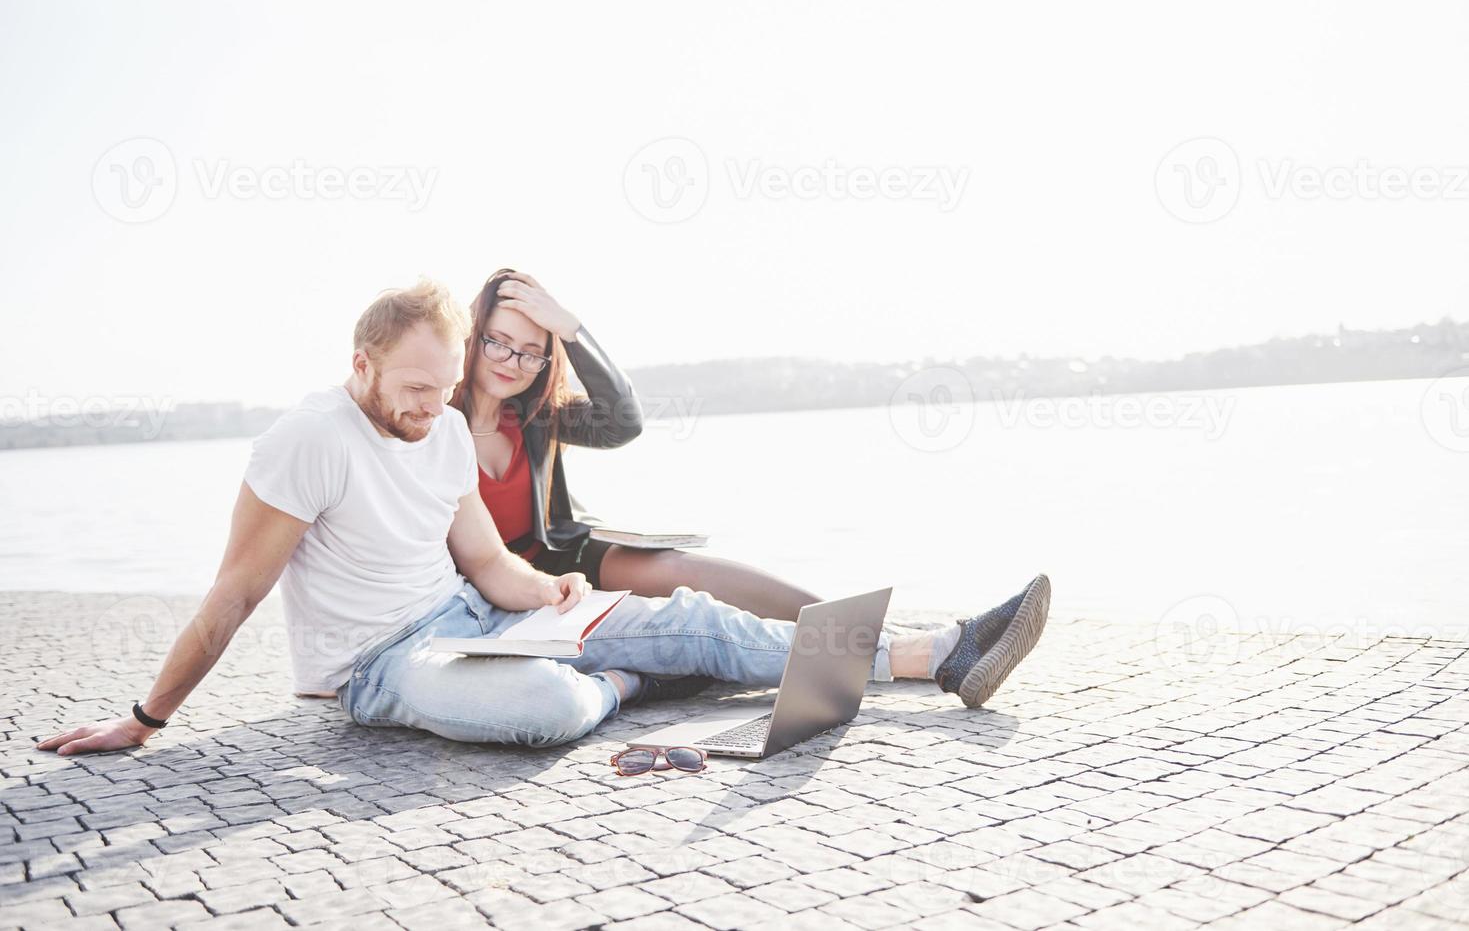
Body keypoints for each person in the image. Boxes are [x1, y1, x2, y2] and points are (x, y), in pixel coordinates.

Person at [37, 281, 1050, 756]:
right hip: (385, 666)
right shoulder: (304, 440)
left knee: (695, 611)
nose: (436, 409)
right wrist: (145, 717)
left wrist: (552, 591)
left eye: (446, 386)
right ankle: (620, 678)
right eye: (413, 388)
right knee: (545, 711)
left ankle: (936, 651)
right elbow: (234, 594)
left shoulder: (440, 436)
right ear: (358, 363)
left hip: (478, 620)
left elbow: (486, 562)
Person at [452, 268, 819, 621]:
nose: (512, 362)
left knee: (671, 567)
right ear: (472, 335)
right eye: (498, 342)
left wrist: (571, 329)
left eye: (531, 352)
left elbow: (621, 423)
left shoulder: (538, 415)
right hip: (477, 584)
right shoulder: (433, 423)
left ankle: (852, 628)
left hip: (560, 562)